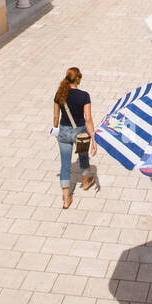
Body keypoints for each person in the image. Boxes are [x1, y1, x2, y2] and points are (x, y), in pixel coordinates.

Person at [53, 66, 96, 209]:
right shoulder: (84, 96)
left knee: (65, 164)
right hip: (80, 132)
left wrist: (55, 130)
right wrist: (93, 138)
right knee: (83, 155)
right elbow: (88, 119)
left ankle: (66, 199)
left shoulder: (60, 94)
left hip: (64, 131)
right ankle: (85, 181)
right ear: (78, 79)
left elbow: (55, 116)